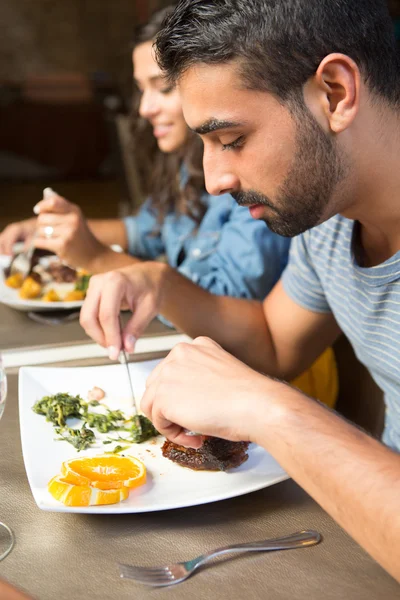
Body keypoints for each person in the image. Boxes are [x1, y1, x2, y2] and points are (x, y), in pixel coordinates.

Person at [80, 0, 400, 582]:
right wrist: (159, 279)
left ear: (334, 92)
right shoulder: (328, 221)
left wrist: (271, 409)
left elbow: (271, 384)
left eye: (230, 138)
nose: (213, 179)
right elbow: (276, 344)